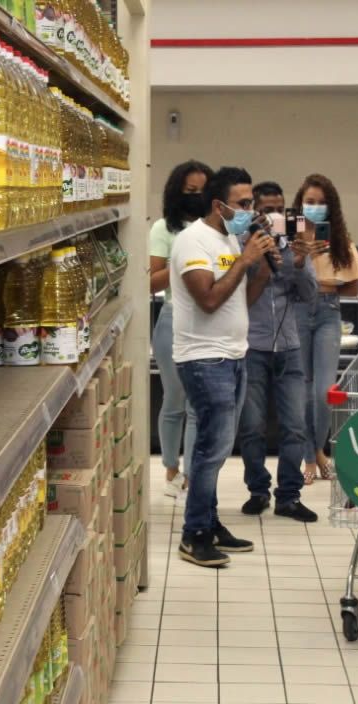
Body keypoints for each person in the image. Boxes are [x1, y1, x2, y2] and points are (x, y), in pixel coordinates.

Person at [171, 166, 275, 568]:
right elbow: (209, 300)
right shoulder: (193, 241)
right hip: (203, 357)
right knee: (210, 450)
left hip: (233, 354)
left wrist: (262, 264)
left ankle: (210, 523)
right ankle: (193, 534)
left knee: (216, 447)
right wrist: (245, 259)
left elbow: (240, 301)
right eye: (244, 204)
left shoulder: (231, 237)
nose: (251, 210)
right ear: (219, 205)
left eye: (252, 203)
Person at [238, 181, 319, 522]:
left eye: (279, 208)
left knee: (295, 425)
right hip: (252, 345)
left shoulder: (293, 247)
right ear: (255, 212)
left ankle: (289, 496)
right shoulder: (242, 246)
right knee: (252, 425)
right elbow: (239, 296)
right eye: (266, 209)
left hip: (289, 345)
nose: (274, 215)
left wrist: (298, 262)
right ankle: (258, 491)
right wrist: (260, 259)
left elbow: (310, 295)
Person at [294, 174, 358, 484]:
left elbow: (352, 288)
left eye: (321, 203)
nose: (315, 208)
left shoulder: (338, 239)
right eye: (309, 202)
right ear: (299, 204)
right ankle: (312, 456)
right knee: (301, 390)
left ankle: (317, 450)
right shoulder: (290, 235)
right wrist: (301, 261)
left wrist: (317, 282)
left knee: (323, 391)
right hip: (295, 315)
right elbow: (279, 279)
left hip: (327, 314)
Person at [149, 160, 212, 502]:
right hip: (173, 319)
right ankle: (171, 469)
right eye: (190, 191)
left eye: (203, 190)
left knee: (198, 405)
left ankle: (193, 473)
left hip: (208, 322)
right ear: (177, 193)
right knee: (174, 399)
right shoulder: (163, 229)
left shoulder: (217, 230)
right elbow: (149, 281)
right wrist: (182, 261)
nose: (197, 197)